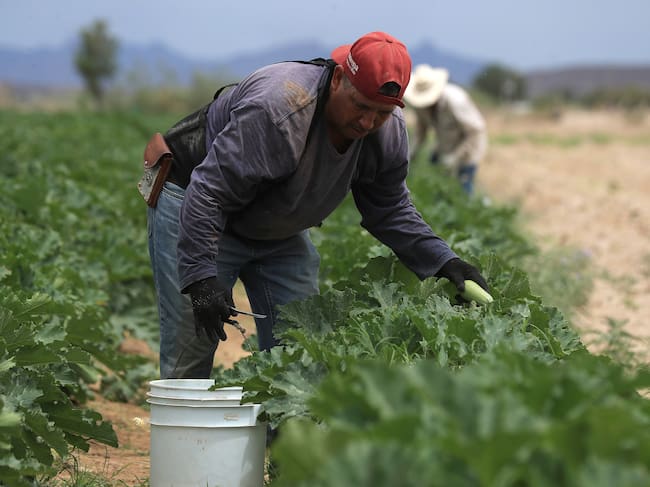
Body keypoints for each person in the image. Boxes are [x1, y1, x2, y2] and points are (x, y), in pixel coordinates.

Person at [147, 31, 490, 379]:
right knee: (191, 347)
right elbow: (209, 191)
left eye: (382, 112)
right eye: (360, 106)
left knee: (304, 350)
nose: (367, 122)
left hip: (276, 224)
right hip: (196, 202)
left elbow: (390, 208)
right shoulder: (280, 109)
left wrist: (444, 262)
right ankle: (184, 424)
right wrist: (201, 277)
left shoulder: (386, 133)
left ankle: (283, 433)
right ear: (339, 78)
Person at [403, 64, 488, 195]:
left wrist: (456, 157)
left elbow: (475, 131)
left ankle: (464, 209)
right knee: (437, 181)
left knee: (463, 186)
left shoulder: (455, 101)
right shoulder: (421, 106)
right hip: (444, 145)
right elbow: (421, 130)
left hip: (468, 149)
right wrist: (410, 155)